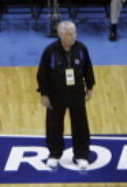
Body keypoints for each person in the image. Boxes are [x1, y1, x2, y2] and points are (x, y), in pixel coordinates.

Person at [36, 21, 96, 169]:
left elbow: (88, 68)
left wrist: (89, 87)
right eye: (69, 34)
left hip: (76, 93)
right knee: (54, 125)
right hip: (56, 94)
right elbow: (42, 74)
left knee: (80, 124)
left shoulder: (81, 48)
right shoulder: (50, 51)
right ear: (61, 34)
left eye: (74, 33)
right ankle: (54, 154)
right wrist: (44, 94)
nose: (73, 36)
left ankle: (81, 155)